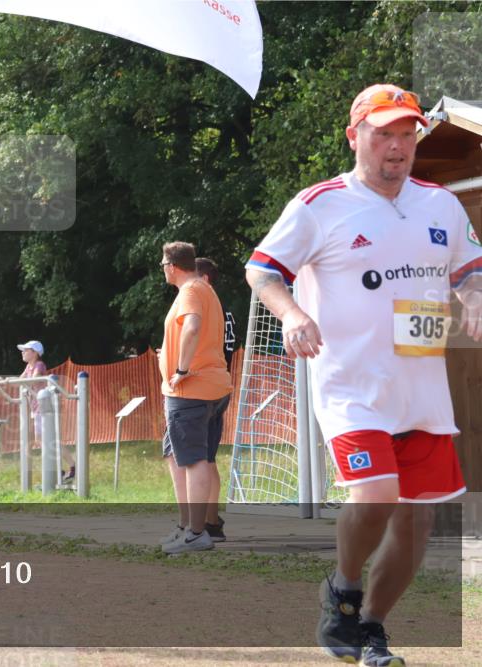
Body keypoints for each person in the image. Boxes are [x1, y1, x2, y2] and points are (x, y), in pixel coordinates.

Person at [245, 84, 482, 666]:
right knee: (376, 495)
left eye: (407, 134)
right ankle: (344, 587)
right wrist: (295, 314)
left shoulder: (441, 205)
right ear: (356, 138)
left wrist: (474, 298)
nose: (397, 147)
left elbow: (470, 272)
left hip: (422, 390)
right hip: (351, 386)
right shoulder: (319, 204)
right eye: (384, 135)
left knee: (419, 520)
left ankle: (370, 627)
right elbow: (261, 270)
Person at [157, 242, 233, 555]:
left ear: (172, 265)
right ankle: (188, 527)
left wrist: (181, 368)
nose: (163, 269)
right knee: (178, 456)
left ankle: (196, 533)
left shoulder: (190, 290)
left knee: (194, 460)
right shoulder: (204, 289)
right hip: (211, 387)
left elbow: (192, 327)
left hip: (192, 390)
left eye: (163, 264)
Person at [192, 256, 235, 541]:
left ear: (205, 279)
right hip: (220, 387)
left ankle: (195, 524)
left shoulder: (204, 309)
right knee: (208, 458)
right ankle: (210, 519)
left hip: (200, 389)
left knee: (197, 459)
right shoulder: (226, 312)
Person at [17, 340, 74, 482]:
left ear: (35, 353)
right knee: (43, 440)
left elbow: (33, 379)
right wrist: (5, 381)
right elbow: (20, 380)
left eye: (26, 350)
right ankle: (58, 469)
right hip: (36, 408)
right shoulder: (28, 367)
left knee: (49, 440)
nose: (23, 352)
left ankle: (71, 467)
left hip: (44, 408)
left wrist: (22, 382)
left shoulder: (38, 365)